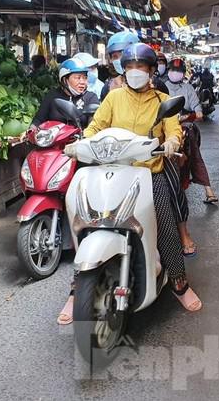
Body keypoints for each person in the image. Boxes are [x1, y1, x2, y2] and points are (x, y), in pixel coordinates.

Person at [82, 43, 202, 312]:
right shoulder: (113, 98)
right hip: (114, 171)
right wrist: (84, 140)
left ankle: (179, 283)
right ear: (123, 71)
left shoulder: (161, 100)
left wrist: (172, 142)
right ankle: (77, 288)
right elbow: (97, 126)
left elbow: (173, 129)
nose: (135, 71)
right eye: (130, 67)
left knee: (166, 226)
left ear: (150, 71)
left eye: (141, 67)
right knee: (88, 220)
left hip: (150, 174)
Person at [165, 58, 218, 256]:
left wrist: (186, 118)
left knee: (194, 157)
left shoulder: (188, 89)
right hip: (164, 132)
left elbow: (199, 112)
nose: (175, 73)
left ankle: (209, 190)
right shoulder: (161, 87)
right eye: (173, 70)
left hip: (185, 128)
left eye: (178, 70)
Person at [32, 56, 100, 132]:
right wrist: (30, 130)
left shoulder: (90, 97)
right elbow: (38, 120)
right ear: (65, 80)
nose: (82, 82)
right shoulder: (52, 96)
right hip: (54, 140)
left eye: (85, 78)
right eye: (78, 78)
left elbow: (94, 124)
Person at [100, 31, 140, 101]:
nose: (119, 60)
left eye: (123, 55)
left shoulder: (154, 84)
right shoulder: (108, 87)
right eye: (115, 56)